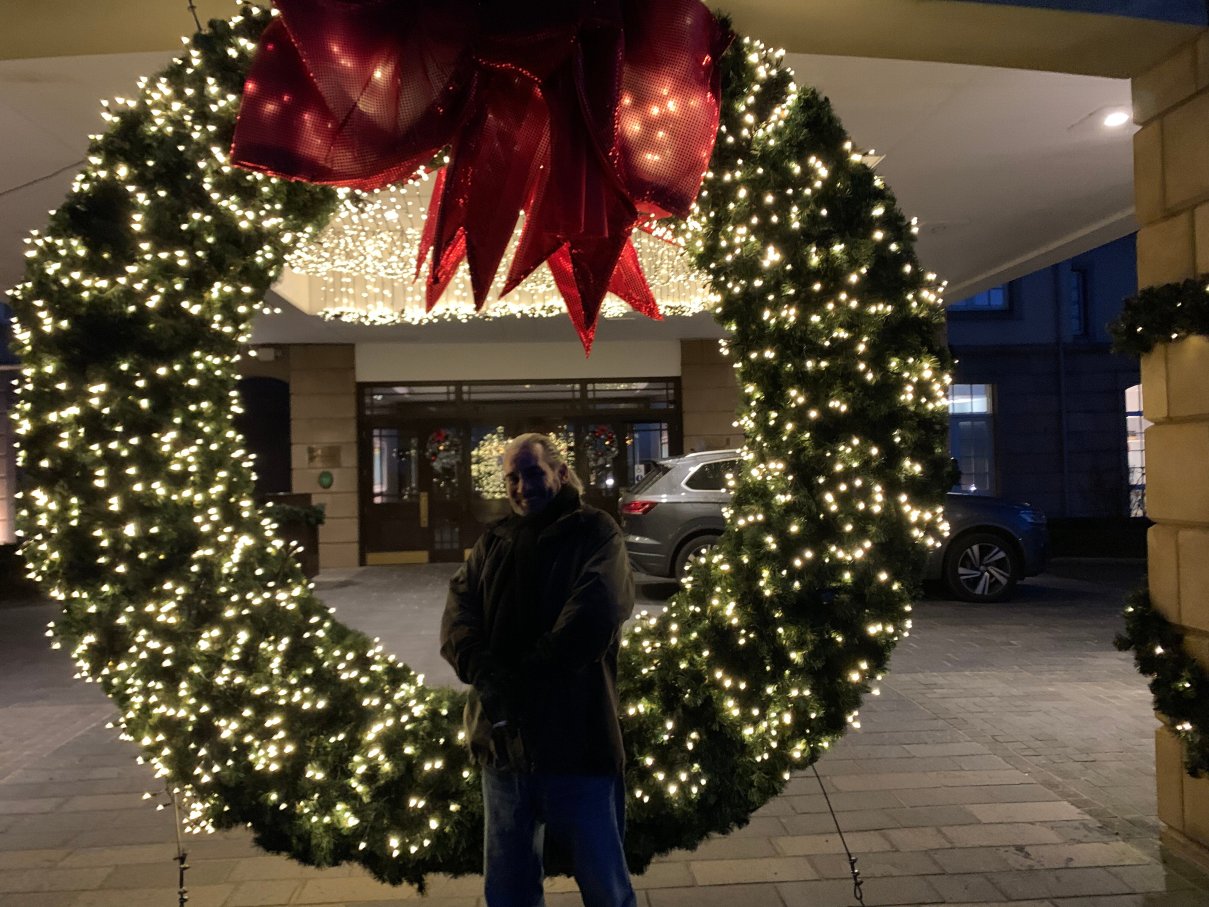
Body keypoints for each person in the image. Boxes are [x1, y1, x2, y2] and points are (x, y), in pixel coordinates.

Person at [440, 432, 638, 907]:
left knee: (605, 886)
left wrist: (523, 678)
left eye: (532, 472)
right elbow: (458, 613)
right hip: (505, 751)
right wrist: (482, 669)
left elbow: (596, 611)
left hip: (579, 742)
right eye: (513, 477)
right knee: (508, 890)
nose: (522, 486)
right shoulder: (494, 541)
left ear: (561, 474)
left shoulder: (596, 531)